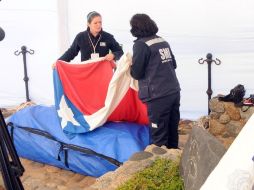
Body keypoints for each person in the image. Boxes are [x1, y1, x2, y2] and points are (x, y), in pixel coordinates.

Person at [129, 13, 181, 149]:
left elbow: (137, 73)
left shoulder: (141, 45)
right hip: (174, 91)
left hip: (157, 96)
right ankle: (175, 159)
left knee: (158, 136)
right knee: (172, 129)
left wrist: (129, 66)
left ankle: (161, 166)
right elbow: (173, 64)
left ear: (136, 28)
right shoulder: (162, 41)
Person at [58, 11, 123, 62]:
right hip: (86, 72)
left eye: (100, 22)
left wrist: (113, 55)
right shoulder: (80, 37)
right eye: (95, 23)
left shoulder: (108, 37)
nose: (99, 25)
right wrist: (58, 62)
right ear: (88, 24)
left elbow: (120, 52)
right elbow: (71, 52)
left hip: (103, 72)